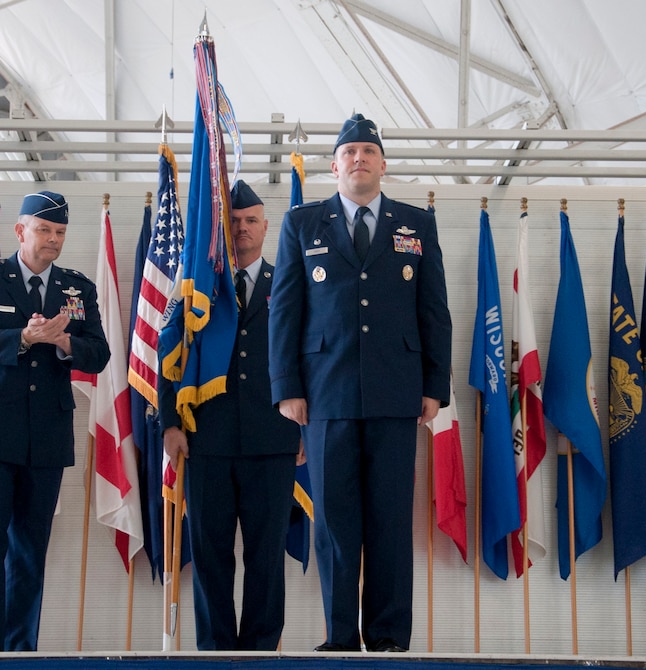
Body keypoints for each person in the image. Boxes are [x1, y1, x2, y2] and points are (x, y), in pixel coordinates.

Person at [269, 113, 452, 653]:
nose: (359, 159)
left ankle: (389, 636)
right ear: (334, 166)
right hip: (326, 394)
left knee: (391, 520)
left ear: (383, 164)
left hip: (397, 392)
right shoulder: (303, 223)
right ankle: (342, 637)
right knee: (334, 523)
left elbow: (434, 309)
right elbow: (285, 310)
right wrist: (286, 386)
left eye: (368, 151)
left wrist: (434, 385)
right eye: (349, 152)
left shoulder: (416, 224)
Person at [0, 191, 111, 652]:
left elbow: (99, 354)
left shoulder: (77, 289)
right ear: (20, 231)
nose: (53, 239)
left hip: (46, 432)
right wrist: (23, 336)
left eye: (60, 232)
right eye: (44, 230)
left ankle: (21, 648)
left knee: (31, 543)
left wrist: (65, 344)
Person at [159, 180, 303, 651]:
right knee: (210, 556)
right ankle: (215, 655)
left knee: (266, 557)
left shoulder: (290, 281)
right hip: (208, 439)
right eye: (234, 221)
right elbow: (169, 351)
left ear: (266, 227)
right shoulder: (199, 285)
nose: (242, 228)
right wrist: (170, 423)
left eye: (251, 220)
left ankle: (260, 653)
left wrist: (309, 427)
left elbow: (311, 354)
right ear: (222, 227)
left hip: (274, 439)